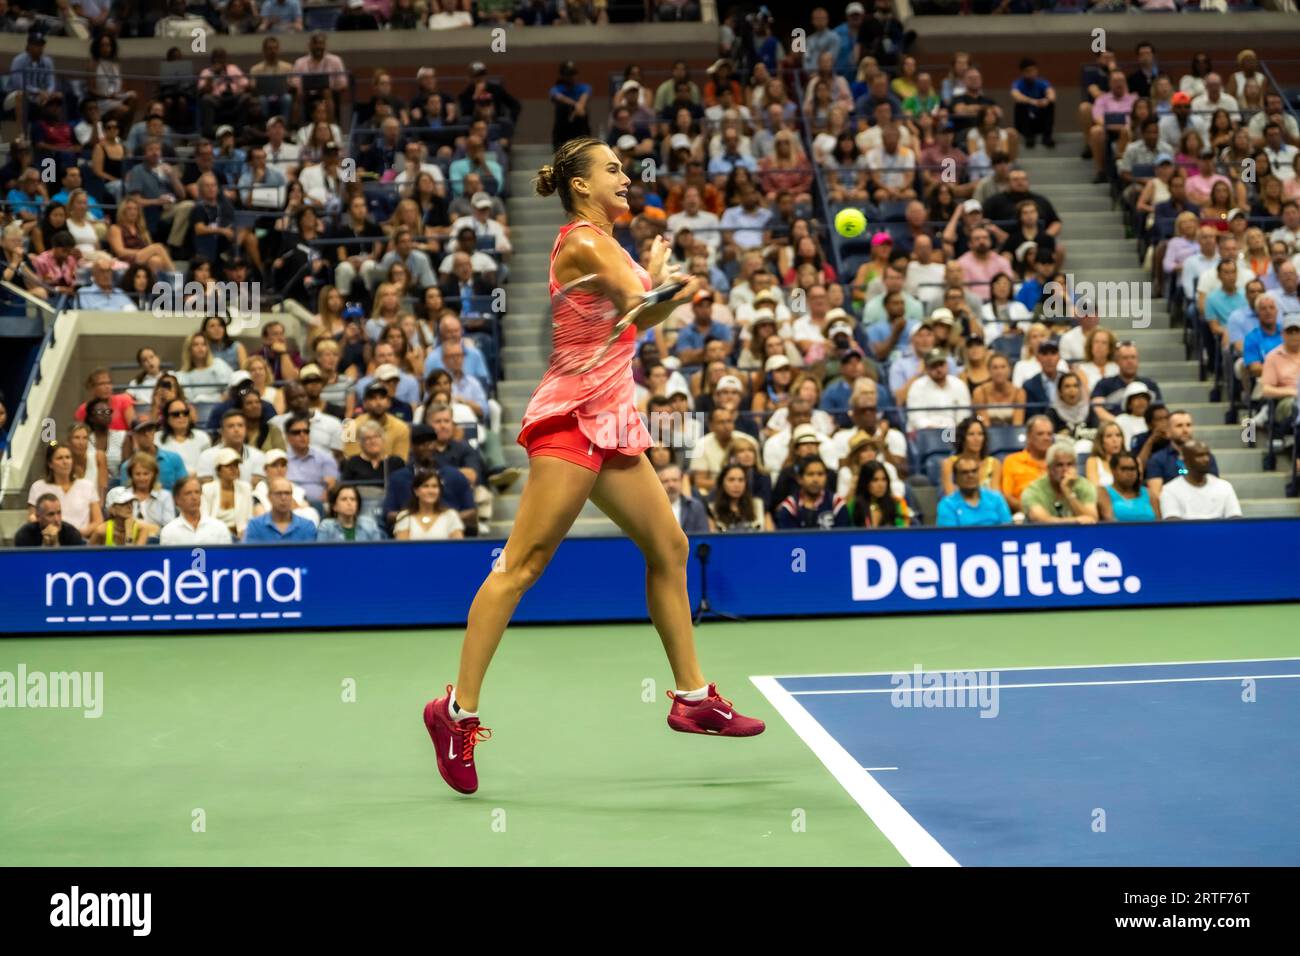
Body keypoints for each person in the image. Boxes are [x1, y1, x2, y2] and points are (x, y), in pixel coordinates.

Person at [423, 137, 765, 797]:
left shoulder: (613, 246)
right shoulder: (582, 240)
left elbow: (644, 314)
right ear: (581, 186)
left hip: (611, 420)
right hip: (571, 418)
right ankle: (455, 714)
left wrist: (662, 277)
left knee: (669, 544)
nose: (624, 176)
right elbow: (647, 302)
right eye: (611, 169)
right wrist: (667, 280)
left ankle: (692, 698)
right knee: (521, 566)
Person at [27, 442, 101, 540]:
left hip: (80, 540)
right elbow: (32, 517)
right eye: (60, 458)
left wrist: (76, 534)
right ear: (50, 464)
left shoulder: (87, 486)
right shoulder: (38, 487)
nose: (65, 461)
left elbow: (98, 520)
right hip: (48, 539)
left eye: (68, 457)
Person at [1160, 440, 1243, 521]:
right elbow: (1173, 524)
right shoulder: (1169, 490)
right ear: (1185, 460)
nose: (1206, 459)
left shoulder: (1225, 486)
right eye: (1199, 456)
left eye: (1207, 455)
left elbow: (1235, 519)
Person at [1021, 440, 1098, 524]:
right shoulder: (1034, 490)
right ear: (1049, 468)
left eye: (1069, 464)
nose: (1065, 469)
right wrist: (1075, 520)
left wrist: (1068, 492)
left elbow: (1092, 519)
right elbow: (1042, 520)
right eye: (1059, 465)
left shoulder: (1084, 485)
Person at [937, 457, 1013, 527]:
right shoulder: (947, 504)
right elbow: (948, 537)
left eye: (974, 471)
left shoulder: (996, 499)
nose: (970, 475)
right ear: (955, 478)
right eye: (964, 472)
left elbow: (1008, 530)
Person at [1000, 414, 1054, 514]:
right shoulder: (1012, 461)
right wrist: (1031, 510)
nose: (1046, 438)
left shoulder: (1058, 462)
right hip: (1022, 514)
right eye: (1040, 434)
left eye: (1049, 434)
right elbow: (1006, 496)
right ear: (1029, 437)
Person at [393, 468, 464, 540]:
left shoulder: (450, 515)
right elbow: (402, 549)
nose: (430, 491)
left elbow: (458, 548)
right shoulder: (405, 516)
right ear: (416, 491)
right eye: (425, 486)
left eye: (434, 486)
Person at [160, 476, 233, 544]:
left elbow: (227, 557)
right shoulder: (169, 531)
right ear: (177, 499)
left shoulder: (219, 527)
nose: (194, 497)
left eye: (197, 492)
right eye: (188, 493)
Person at [243, 477, 318, 541]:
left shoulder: (307, 526)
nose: (283, 498)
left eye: (287, 493)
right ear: (269, 496)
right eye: (278, 493)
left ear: (292, 496)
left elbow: (311, 556)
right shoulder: (255, 526)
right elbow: (248, 556)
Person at [1097, 451, 1158, 523]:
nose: (1129, 473)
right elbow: (1109, 521)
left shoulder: (1150, 494)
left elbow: (1160, 523)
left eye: (1132, 469)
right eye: (1124, 469)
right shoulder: (1103, 492)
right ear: (1113, 470)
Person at [90, 486, 157, 546]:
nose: (129, 506)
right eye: (124, 503)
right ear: (112, 509)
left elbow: (135, 557)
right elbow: (86, 557)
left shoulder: (142, 529)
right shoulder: (101, 531)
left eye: (131, 502)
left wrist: (129, 534)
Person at [316, 484, 385, 542]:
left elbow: (377, 553)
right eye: (344, 499)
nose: (349, 503)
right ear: (334, 506)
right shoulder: (326, 526)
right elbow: (320, 554)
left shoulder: (369, 524)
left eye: (353, 499)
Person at [13, 493, 85, 547]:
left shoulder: (71, 533)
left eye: (59, 513)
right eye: (51, 514)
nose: (57, 519)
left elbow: (77, 563)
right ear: (38, 517)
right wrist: (44, 545)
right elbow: (27, 564)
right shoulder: (25, 535)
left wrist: (56, 543)